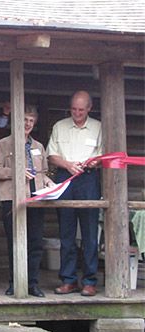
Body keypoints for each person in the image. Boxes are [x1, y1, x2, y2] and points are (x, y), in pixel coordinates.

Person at [0, 104, 55, 297]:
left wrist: (49, 181)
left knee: (35, 243)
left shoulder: (38, 146)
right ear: (16, 121)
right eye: (24, 120)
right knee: (15, 243)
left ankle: (32, 283)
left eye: (31, 121)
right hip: (12, 199)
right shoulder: (4, 144)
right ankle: (15, 282)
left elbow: (43, 172)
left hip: (35, 199)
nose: (27, 124)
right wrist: (16, 172)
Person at [47, 90, 102, 297]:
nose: (77, 113)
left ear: (89, 108)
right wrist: (68, 164)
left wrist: (91, 162)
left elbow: (104, 155)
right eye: (74, 109)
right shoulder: (60, 126)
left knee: (89, 234)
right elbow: (51, 155)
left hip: (88, 179)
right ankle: (68, 280)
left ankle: (89, 281)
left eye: (81, 109)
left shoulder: (98, 127)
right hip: (65, 178)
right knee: (66, 233)